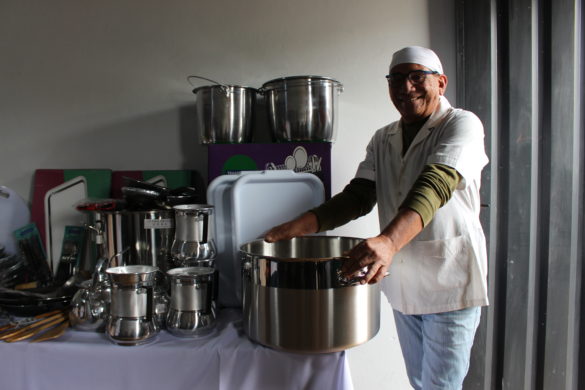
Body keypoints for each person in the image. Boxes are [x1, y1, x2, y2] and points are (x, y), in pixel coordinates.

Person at [264, 46, 489, 389]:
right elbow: (358, 197)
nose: (406, 87)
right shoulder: (384, 138)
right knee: (419, 381)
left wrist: (387, 241)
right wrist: (299, 226)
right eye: (396, 79)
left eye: (417, 77)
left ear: (440, 83)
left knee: (441, 386)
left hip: (450, 283)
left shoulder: (461, 124)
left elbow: (436, 184)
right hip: (403, 281)